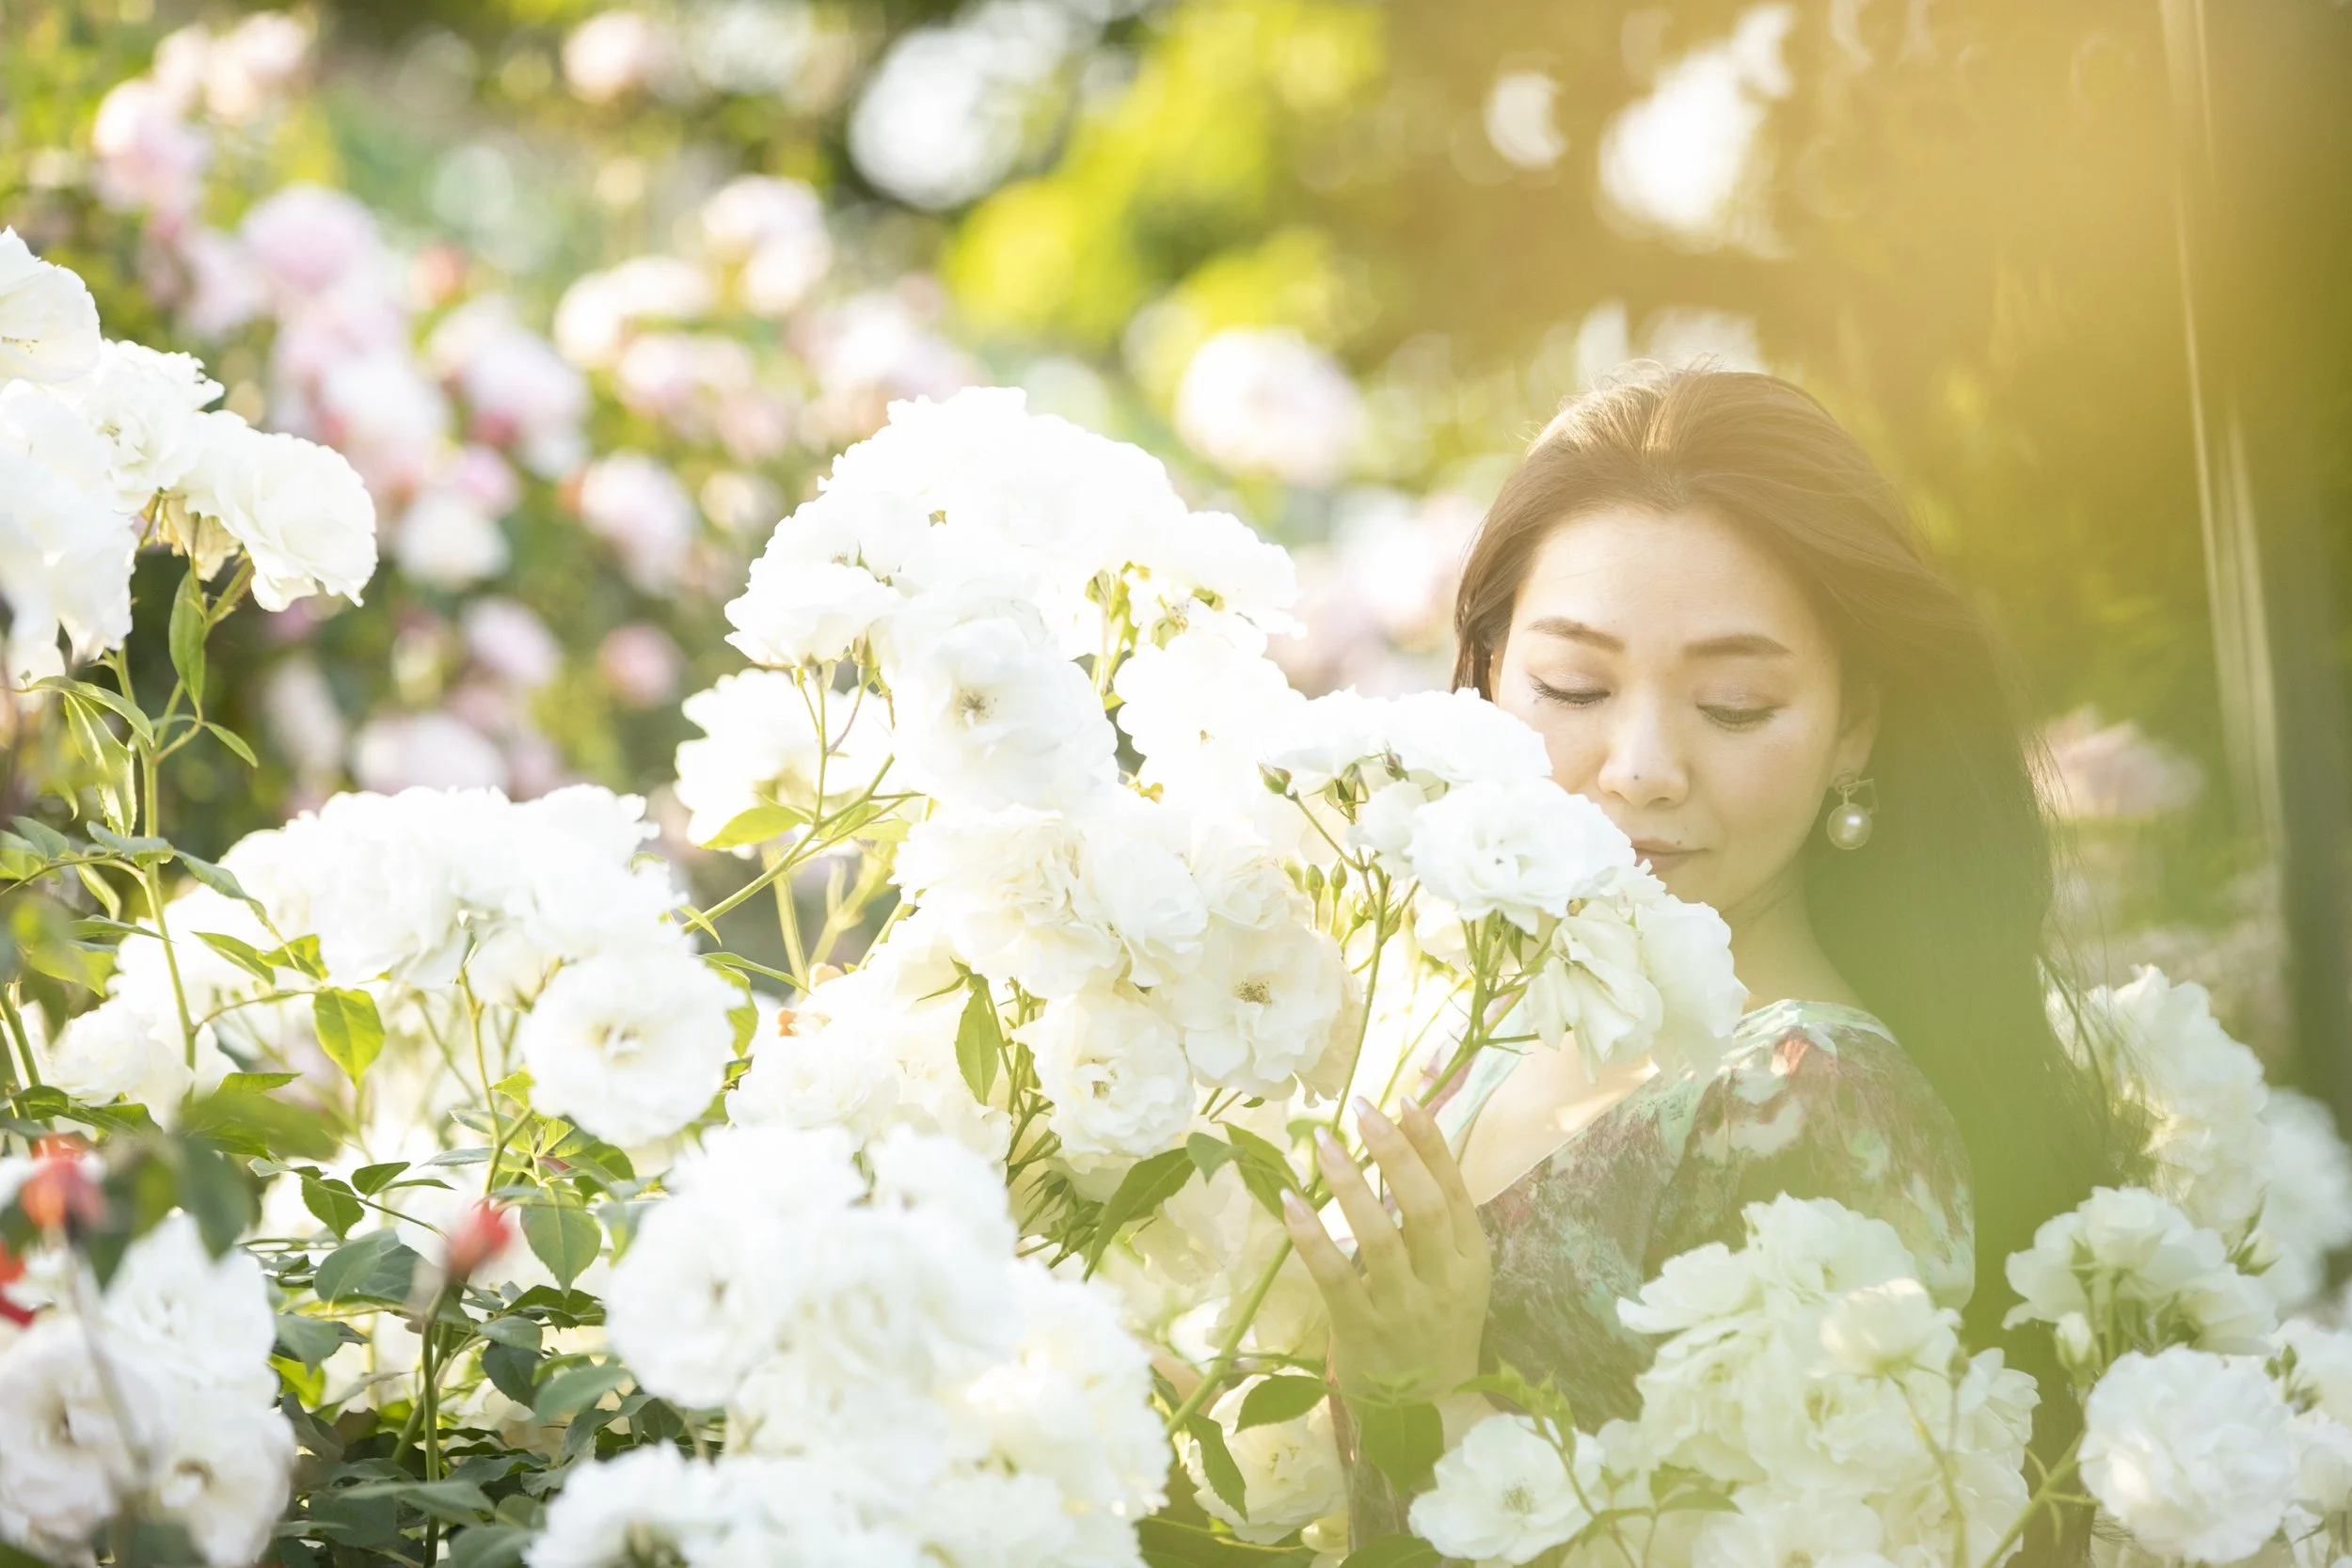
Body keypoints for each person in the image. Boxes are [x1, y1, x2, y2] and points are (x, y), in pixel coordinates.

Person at [1278, 367, 2129, 1556]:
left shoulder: (1809, 1106)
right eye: (1573, 684)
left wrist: (1424, 1392)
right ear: (1481, 673)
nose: (1641, 765)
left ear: (1856, 726)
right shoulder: (1482, 1006)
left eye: (1732, 704)